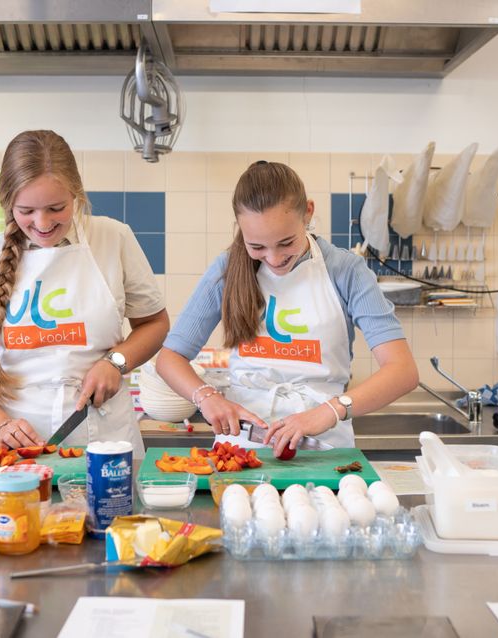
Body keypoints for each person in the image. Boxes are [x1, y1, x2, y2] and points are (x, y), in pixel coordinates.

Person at [156, 161, 418, 455]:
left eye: (286, 243)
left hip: (325, 446)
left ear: (308, 212)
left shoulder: (347, 271)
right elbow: (170, 358)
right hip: (241, 446)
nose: (274, 258)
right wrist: (206, 397)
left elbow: (402, 371)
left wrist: (330, 411)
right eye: (257, 247)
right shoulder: (227, 270)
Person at [0, 130, 169, 454]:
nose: (43, 222)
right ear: (7, 203)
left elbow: (154, 324)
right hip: (11, 455)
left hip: (104, 442)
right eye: (27, 211)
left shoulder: (113, 238)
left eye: (56, 208)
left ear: (76, 194)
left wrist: (116, 362)